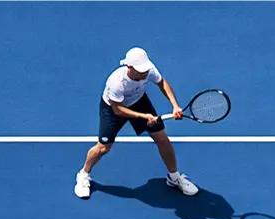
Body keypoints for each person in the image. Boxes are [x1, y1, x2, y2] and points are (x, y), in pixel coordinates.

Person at [75, 47, 198, 200]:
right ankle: (83, 175)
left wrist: (175, 105)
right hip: (113, 109)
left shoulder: (149, 70)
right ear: (129, 67)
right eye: (140, 70)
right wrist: (144, 116)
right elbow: (118, 110)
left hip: (139, 102)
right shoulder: (116, 82)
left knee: (162, 139)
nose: (144, 73)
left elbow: (162, 83)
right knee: (103, 148)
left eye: (145, 69)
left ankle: (174, 177)